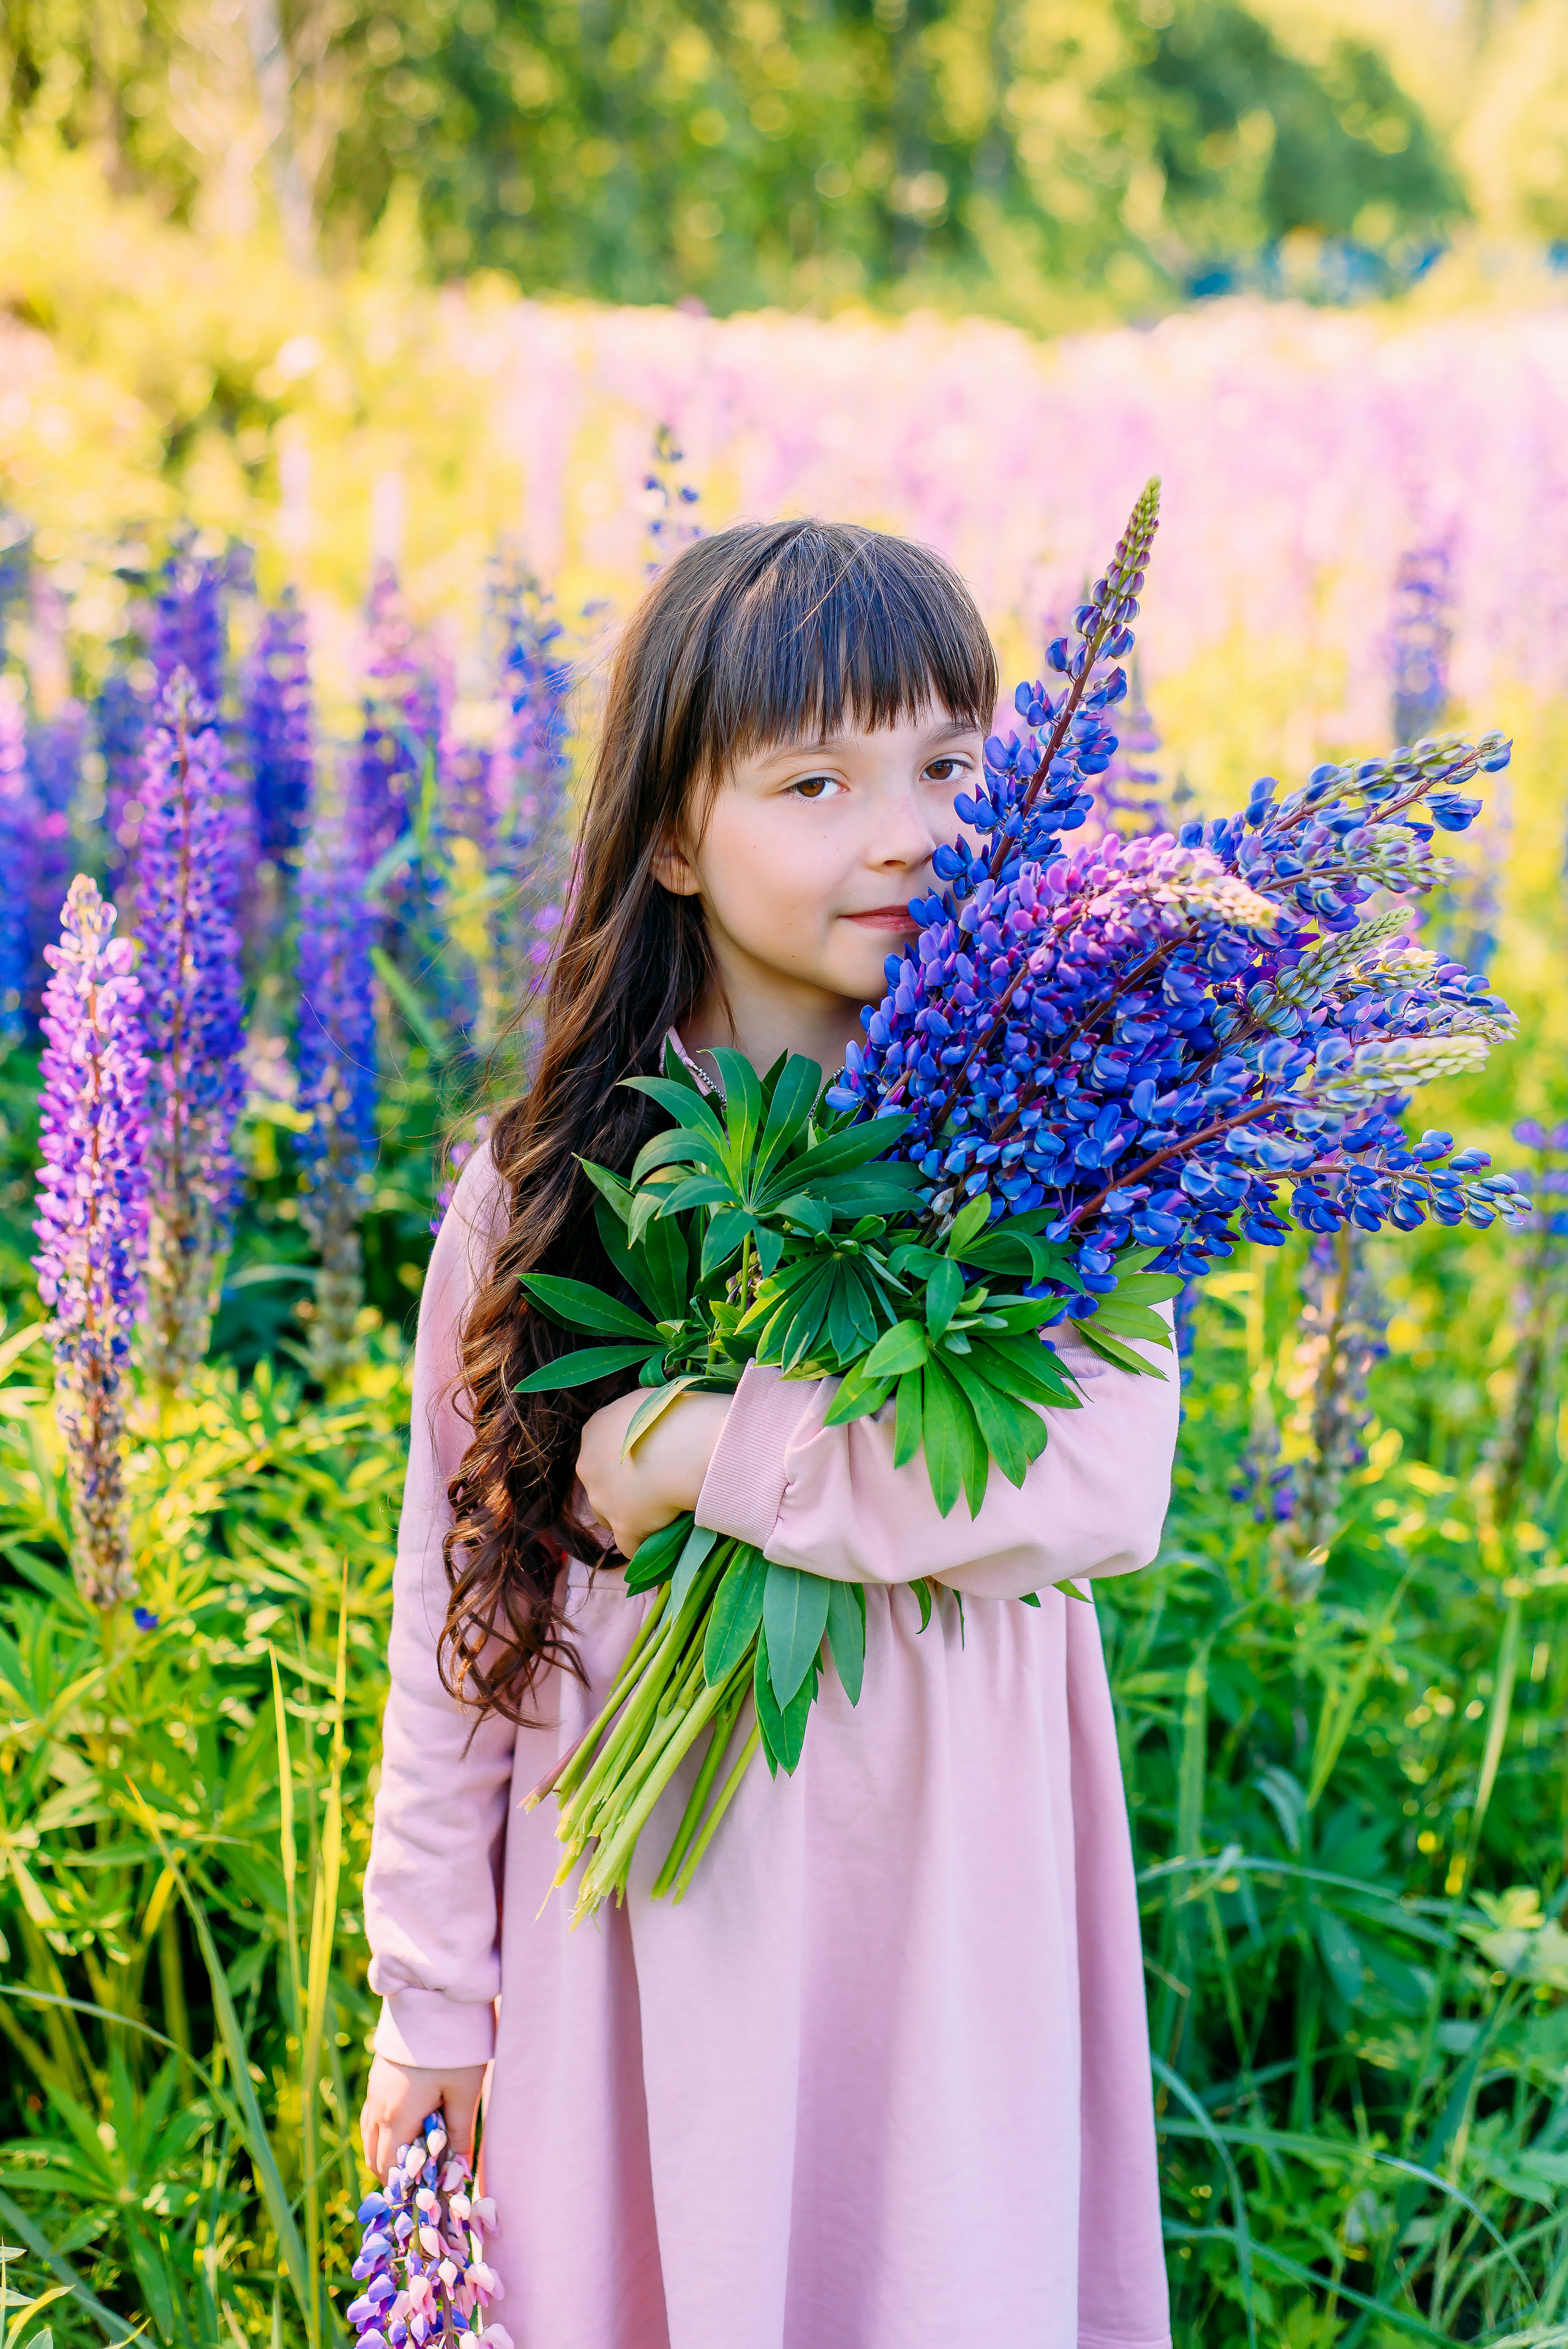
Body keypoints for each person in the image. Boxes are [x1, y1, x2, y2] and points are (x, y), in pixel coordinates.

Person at [359, 520, 1180, 2349]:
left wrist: (696, 1449)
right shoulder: (546, 1190)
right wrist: (431, 1995)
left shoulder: (1067, 1157)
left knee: (934, 2269)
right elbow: (451, 1619)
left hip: (951, 1897)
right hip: (654, 1918)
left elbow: (1102, 1485)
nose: (904, 831)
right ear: (671, 833)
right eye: (815, 778)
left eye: (954, 768)